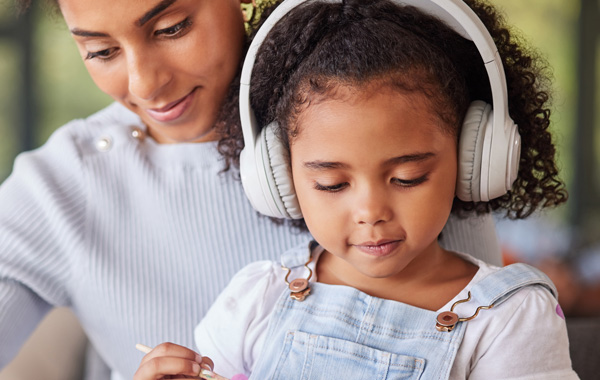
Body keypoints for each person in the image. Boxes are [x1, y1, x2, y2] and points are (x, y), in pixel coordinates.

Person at [2, 0, 504, 379]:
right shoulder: (60, 185)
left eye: (172, 28)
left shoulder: (399, 120)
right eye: (101, 51)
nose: (145, 83)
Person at [133, 0, 577, 379]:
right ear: (281, 179)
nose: (370, 211)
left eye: (407, 178)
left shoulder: (509, 319)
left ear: (472, 159)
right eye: (332, 184)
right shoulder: (257, 299)